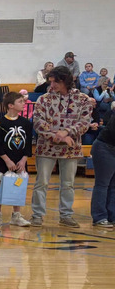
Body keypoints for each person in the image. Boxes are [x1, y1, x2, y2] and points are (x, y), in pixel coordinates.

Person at [29, 65, 93, 227]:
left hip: (71, 149)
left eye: (55, 82)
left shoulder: (82, 99)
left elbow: (84, 123)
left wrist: (66, 132)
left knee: (68, 183)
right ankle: (37, 215)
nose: (52, 85)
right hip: (46, 147)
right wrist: (59, 136)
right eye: (50, 81)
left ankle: (66, 215)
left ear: (64, 80)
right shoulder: (44, 99)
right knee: (41, 182)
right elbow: (38, 122)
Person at [0, 91, 34, 227]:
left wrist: (24, 159)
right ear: (10, 105)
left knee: (18, 185)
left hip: (20, 160)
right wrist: (7, 160)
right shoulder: (0, 123)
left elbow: (27, 143)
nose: (23, 104)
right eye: (20, 102)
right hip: (4, 161)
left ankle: (16, 215)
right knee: (0, 184)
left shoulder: (26, 123)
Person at [90, 102, 115, 229]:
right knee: (103, 184)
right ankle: (99, 217)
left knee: (113, 185)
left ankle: (112, 216)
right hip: (105, 148)